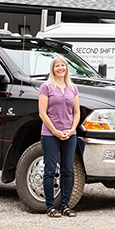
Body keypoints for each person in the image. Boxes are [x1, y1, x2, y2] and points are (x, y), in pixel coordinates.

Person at [38, 56, 80, 217]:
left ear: (67, 68)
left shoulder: (72, 88)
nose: (61, 68)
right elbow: (42, 113)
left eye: (63, 65)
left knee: (67, 170)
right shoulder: (46, 87)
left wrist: (72, 129)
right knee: (50, 170)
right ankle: (50, 207)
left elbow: (76, 112)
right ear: (53, 69)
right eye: (57, 66)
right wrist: (55, 130)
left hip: (70, 134)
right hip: (50, 134)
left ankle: (65, 206)